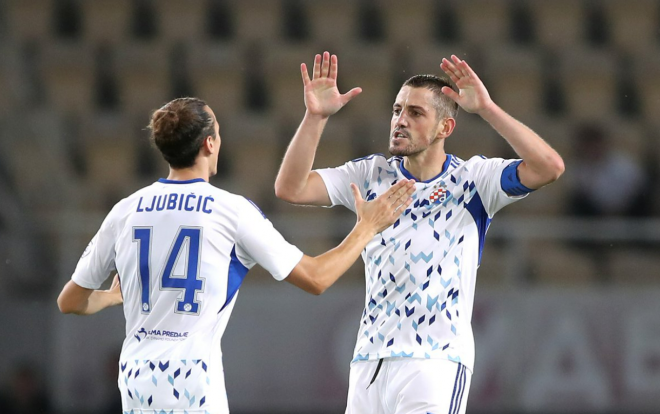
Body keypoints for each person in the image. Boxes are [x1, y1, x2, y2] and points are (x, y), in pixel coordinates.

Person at [57, 97, 415, 414]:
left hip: (135, 378)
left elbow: (69, 301)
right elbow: (316, 278)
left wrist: (110, 298)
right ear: (210, 143)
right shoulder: (230, 211)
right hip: (192, 378)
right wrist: (367, 227)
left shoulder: (125, 210)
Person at [274, 52, 565, 414]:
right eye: (397, 110)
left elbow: (549, 167)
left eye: (415, 113)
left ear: (445, 128)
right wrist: (315, 118)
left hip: (436, 361)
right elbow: (291, 188)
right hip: (369, 360)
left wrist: (487, 109)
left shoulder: (475, 180)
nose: (399, 121)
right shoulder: (370, 175)